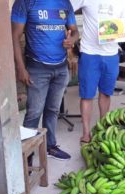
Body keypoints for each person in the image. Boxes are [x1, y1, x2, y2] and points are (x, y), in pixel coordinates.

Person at [11, 0, 79, 160]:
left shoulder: (64, 3)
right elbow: (14, 36)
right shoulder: (25, 2)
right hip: (37, 68)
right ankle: (26, 156)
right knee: (34, 113)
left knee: (53, 110)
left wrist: (72, 40)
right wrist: (21, 69)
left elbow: (75, 31)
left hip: (61, 68)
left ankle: (50, 146)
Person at [70, 0, 125, 143]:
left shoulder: (122, 2)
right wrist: (71, 30)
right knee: (87, 95)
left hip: (111, 54)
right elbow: (66, 8)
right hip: (89, 53)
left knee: (106, 93)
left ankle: (102, 129)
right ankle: (86, 133)